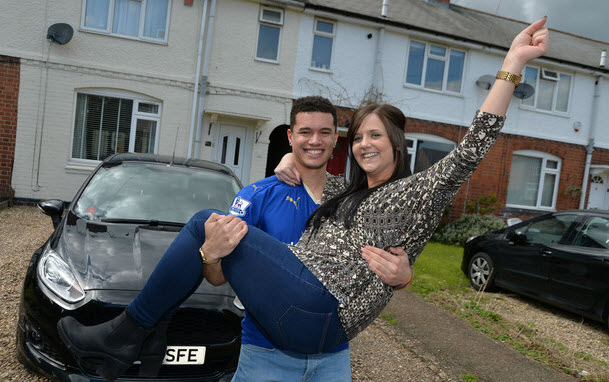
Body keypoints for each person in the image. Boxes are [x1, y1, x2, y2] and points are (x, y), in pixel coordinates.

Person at [57, 17, 549, 381]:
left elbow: (474, 147)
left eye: (375, 136)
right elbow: (304, 181)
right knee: (211, 230)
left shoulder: (417, 192)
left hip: (322, 316)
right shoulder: (343, 193)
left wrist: (511, 66)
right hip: (289, 325)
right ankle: (137, 332)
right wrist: (283, 165)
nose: (364, 144)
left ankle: (128, 333)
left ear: (397, 143)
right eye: (357, 137)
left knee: (204, 219)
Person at [204, 96, 412, 381]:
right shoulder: (257, 196)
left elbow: (384, 259)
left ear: (335, 138)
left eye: (324, 132)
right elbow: (217, 278)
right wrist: (209, 256)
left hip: (333, 357)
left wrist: (404, 276)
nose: (315, 140)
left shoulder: (350, 198)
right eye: (305, 132)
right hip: (266, 355)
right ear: (290, 136)